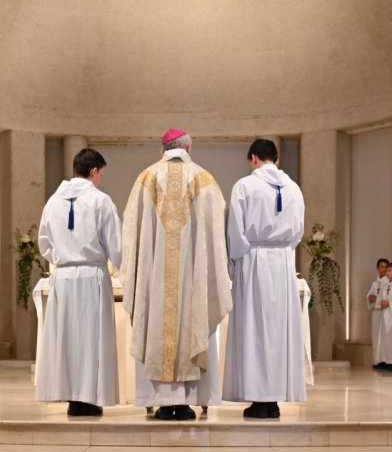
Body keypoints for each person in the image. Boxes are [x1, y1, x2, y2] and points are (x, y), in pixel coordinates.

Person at [123, 129, 231, 420]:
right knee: (191, 322)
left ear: (163, 149)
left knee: (158, 323)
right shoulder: (205, 179)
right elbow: (217, 232)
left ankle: (162, 400)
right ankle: (188, 400)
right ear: (188, 148)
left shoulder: (145, 178)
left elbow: (131, 234)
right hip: (193, 278)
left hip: (155, 278)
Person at [221, 138, 306, 419]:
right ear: (277, 160)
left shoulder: (245, 186)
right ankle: (275, 399)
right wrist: (281, 251)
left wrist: (237, 262)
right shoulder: (293, 188)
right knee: (278, 330)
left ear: (253, 158)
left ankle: (260, 399)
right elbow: (297, 232)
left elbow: (235, 231)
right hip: (281, 262)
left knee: (255, 329)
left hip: (254, 261)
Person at [35, 148, 123, 416]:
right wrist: (123, 267)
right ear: (94, 171)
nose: (100, 180)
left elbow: (44, 244)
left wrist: (64, 258)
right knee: (91, 339)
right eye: (101, 174)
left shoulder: (52, 202)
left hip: (63, 277)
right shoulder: (101, 200)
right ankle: (89, 397)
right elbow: (116, 245)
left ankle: (72, 397)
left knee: (67, 339)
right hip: (91, 276)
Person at [367, 258, 390, 368]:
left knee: (384, 337)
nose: (384, 269)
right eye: (382, 267)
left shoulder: (389, 282)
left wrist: (376, 300)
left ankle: (385, 360)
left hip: (386, 313)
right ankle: (377, 360)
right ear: (377, 268)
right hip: (376, 313)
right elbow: (370, 296)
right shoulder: (375, 283)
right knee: (376, 336)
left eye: (386, 267)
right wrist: (370, 299)